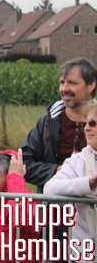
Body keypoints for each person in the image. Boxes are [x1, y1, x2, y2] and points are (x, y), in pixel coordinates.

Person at [21, 57, 97, 191]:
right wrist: (57, 171)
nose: (64, 88)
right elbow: (23, 163)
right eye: (62, 82)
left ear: (91, 85)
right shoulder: (47, 122)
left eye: (72, 83)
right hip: (52, 202)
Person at [43, 99, 97, 260]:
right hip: (86, 252)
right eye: (85, 123)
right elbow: (50, 189)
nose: (87, 128)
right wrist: (89, 183)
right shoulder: (78, 160)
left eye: (93, 123)